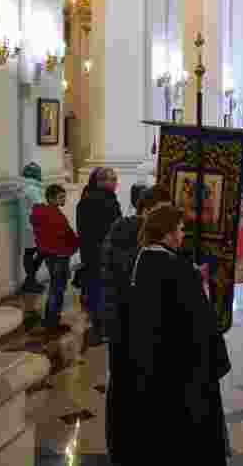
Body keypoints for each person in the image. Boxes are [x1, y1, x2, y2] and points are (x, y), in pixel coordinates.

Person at [122, 205, 229, 464]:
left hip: (155, 364)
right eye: (180, 230)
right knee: (191, 436)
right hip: (186, 369)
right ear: (168, 233)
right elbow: (200, 321)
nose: (182, 235)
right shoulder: (175, 267)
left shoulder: (141, 260)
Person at [101, 184, 170, 462]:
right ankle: (123, 450)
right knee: (125, 390)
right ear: (145, 210)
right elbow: (124, 279)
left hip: (137, 327)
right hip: (126, 326)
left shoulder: (142, 237)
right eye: (160, 211)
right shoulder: (126, 235)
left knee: (139, 391)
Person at [76, 166, 122, 346]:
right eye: (112, 179)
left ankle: (97, 328)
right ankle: (102, 330)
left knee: (95, 291)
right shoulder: (107, 201)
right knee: (104, 293)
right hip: (104, 254)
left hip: (90, 254)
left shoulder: (85, 198)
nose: (116, 183)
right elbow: (114, 230)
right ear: (101, 181)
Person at [30, 183, 79, 331]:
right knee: (57, 288)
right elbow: (65, 235)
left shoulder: (44, 213)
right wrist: (76, 243)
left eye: (64, 196)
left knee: (56, 287)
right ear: (51, 198)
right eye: (61, 197)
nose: (64, 199)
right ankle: (51, 322)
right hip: (59, 254)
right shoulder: (53, 215)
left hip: (51, 254)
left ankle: (51, 319)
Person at [19, 162, 47, 294]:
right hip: (35, 227)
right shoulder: (33, 189)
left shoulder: (24, 187)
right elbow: (40, 207)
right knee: (40, 252)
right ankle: (30, 281)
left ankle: (30, 281)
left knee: (30, 253)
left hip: (28, 226)